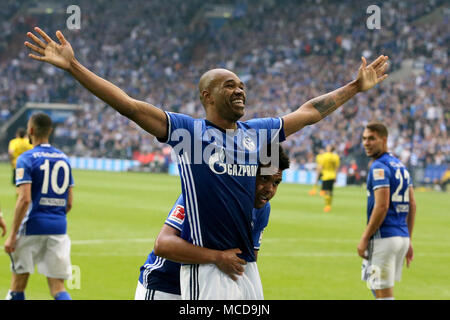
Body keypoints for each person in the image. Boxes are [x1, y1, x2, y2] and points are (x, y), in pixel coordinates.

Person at [24, 27, 388, 299]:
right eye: (230, 85)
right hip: (205, 267)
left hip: (244, 267)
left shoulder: (258, 134)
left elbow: (309, 112)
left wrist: (354, 88)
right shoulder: (189, 132)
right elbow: (129, 106)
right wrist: (73, 66)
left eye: (242, 84)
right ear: (207, 96)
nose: (240, 89)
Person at [135, 145, 289, 300]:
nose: (270, 189)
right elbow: (163, 245)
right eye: (264, 178)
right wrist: (217, 257)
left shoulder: (262, 210)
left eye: (276, 183)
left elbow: (246, 262)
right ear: (246, 173)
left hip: (206, 289)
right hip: (164, 287)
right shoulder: (206, 192)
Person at [4, 113, 74, 300]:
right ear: (50, 132)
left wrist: (12, 235)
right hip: (58, 228)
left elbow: (24, 199)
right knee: (58, 287)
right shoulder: (64, 159)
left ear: (31, 130)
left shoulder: (26, 158)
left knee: (18, 284)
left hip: (31, 227)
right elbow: (69, 202)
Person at [358, 122, 416, 300]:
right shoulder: (400, 166)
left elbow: (382, 206)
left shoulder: (378, 167)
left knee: (384, 295)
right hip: (400, 238)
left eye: (372, 139)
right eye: (364, 139)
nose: (367, 143)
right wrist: (408, 238)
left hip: (383, 238)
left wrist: (365, 237)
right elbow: (412, 204)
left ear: (384, 140)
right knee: (372, 281)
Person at [319, 145, 340, 212]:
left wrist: (319, 174)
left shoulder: (324, 156)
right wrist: (336, 176)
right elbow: (336, 168)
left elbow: (321, 166)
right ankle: (329, 205)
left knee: (325, 191)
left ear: (328, 149)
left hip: (325, 176)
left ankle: (327, 205)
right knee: (330, 191)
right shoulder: (336, 157)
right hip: (332, 176)